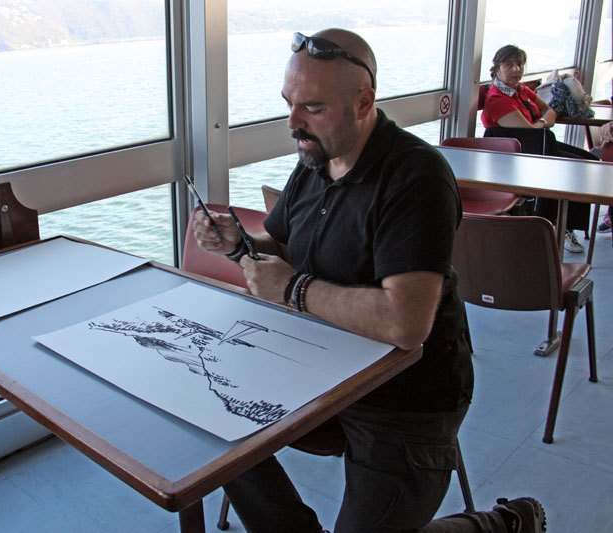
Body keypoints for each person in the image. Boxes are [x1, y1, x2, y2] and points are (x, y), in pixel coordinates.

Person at [192, 29, 546, 533]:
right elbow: (285, 246)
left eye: (312, 108)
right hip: (316, 364)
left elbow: (406, 323)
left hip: (404, 397)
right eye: (289, 104)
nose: (293, 124)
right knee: (207, 419)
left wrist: (292, 290)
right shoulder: (315, 157)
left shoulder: (416, 176)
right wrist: (239, 243)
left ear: (363, 103)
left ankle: (501, 524)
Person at [481, 44, 596, 253]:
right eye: (509, 65)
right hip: (517, 158)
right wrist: (543, 122)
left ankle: (569, 225)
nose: (516, 69)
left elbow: (549, 111)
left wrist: (541, 122)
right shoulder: (497, 99)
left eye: (519, 65)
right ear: (497, 68)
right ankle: (563, 226)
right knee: (577, 168)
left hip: (539, 146)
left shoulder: (520, 90)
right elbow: (530, 131)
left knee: (589, 161)